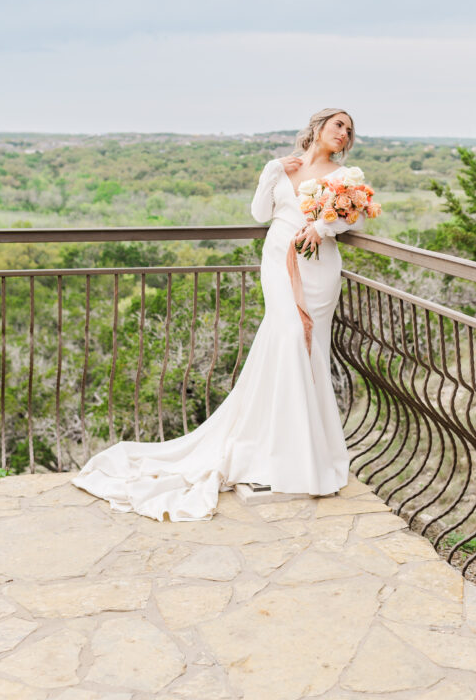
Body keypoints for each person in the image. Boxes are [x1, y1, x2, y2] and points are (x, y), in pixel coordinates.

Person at [72, 108, 366, 521]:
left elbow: (350, 214)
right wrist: (270, 172)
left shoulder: (346, 175)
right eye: (338, 124)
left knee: (311, 348)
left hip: (319, 267)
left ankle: (309, 453)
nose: (343, 133)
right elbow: (260, 215)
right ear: (318, 127)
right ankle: (279, 450)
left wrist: (323, 228)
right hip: (279, 262)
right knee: (285, 339)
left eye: (349, 130)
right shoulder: (284, 168)